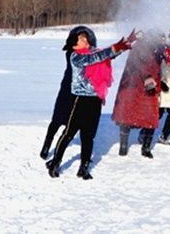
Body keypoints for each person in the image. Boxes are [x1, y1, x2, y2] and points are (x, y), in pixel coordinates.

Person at [46, 26, 134, 179]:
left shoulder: (94, 51)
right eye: (81, 39)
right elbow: (94, 58)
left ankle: (84, 167)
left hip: (95, 101)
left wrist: (125, 44)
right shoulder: (75, 56)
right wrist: (115, 47)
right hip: (80, 101)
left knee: (88, 136)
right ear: (74, 44)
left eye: (86, 37)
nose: (85, 40)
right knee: (68, 134)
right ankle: (56, 162)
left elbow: (106, 55)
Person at [112, 30, 170, 159]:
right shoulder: (140, 47)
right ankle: (123, 146)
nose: (162, 41)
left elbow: (168, 59)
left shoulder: (159, 48)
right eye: (160, 38)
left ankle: (146, 148)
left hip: (150, 87)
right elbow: (138, 65)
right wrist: (148, 78)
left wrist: (158, 82)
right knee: (127, 117)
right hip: (132, 86)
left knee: (151, 117)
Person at [39, 27, 79, 160]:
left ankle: (60, 145)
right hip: (67, 89)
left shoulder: (84, 53)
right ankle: (47, 144)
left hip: (78, 91)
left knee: (71, 121)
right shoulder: (72, 54)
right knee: (56, 119)